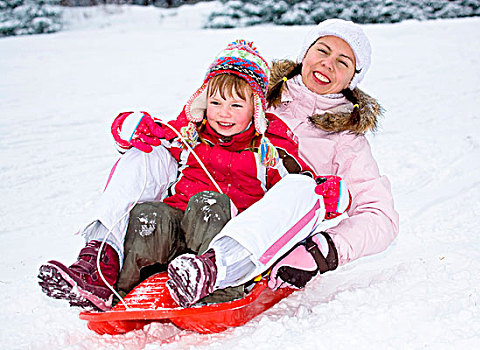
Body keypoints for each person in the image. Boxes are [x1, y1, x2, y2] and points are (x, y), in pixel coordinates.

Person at [37, 40, 342, 311]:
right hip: (172, 235)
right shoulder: (189, 130)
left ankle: (212, 273)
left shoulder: (270, 144)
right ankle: (100, 265)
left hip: (224, 241)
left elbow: (295, 181)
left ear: (257, 108)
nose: (223, 113)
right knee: (146, 155)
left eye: (236, 104)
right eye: (216, 102)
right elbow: (149, 136)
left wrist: (324, 192)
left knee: (295, 191)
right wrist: (127, 128)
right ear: (204, 99)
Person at [164, 19, 399, 307]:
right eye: (322, 50)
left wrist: (322, 251)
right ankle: (104, 254)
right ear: (305, 54)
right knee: (147, 153)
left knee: (302, 187)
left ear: (352, 78)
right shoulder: (257, 93)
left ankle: (214, 268)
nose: (327, 64)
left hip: (271, 229)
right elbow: (191, 126)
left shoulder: (346, 140)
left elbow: (381, 217)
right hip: (205, 203)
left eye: (343, 62)